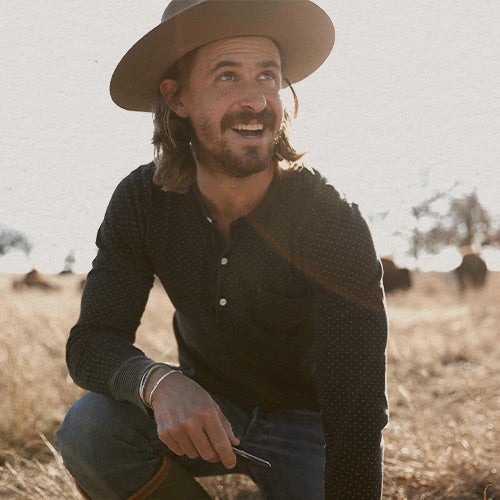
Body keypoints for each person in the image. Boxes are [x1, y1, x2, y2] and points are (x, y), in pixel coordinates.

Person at [55, 1, 389, 499]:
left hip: (309, 427)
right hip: (209, 408)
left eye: (268, 76)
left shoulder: (329, 218)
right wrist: (157, 382)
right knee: (89, 429)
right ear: (178, 98)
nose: (255, 100)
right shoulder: (142, 200)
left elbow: (356, 404)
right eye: (227, 76)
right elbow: (92, 342)